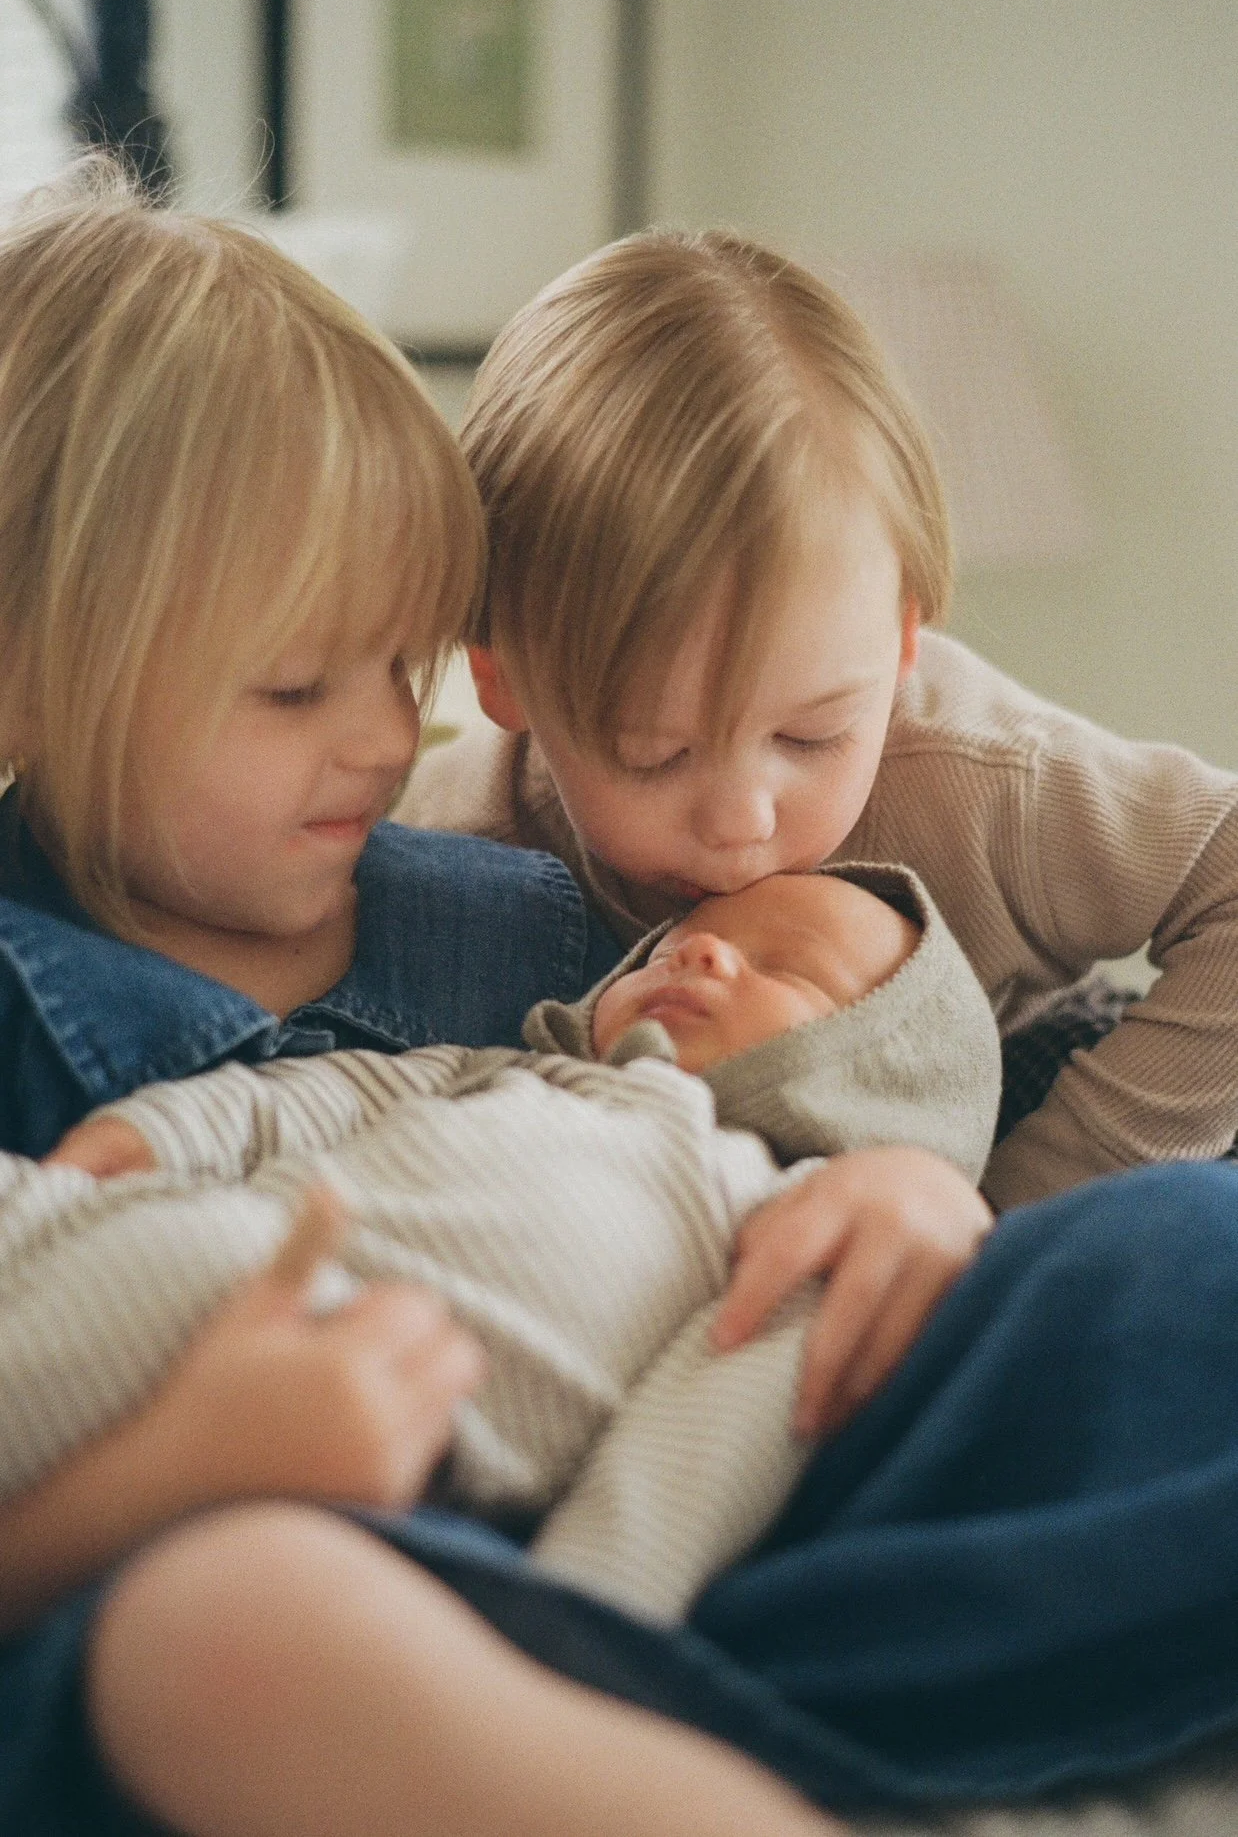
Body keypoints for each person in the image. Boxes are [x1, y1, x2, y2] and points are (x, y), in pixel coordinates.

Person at [0, 161, 851, 1837]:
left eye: (400, 664)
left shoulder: (521, 919)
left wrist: (895, 1190)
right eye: (291, 686)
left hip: (658, 1525)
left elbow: (730, 1149)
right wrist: (183, 1467)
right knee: (246, 1635)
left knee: (1165, 1258)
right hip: (238, 1633)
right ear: (25, 669)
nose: (388, 739)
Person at [398, 225, 1238, 1239]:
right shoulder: (457, 843)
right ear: (501, 678)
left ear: (903, 637)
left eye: (811, 736)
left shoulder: (981, 776)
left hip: (1024, 1099)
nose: (741, 821)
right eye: (654, 754)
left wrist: (1019, 1210)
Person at [31, 865, 999, 1626]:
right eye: (675, 946)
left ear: (886, 1076)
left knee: (184, 1265)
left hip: (330, 1357)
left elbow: (693, 1460)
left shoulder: (790, 1215)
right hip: (156, 1231)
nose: (701, 952)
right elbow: (313, 1096)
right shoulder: (504, 1071)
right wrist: (163, 1130)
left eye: (787, 967)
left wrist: (576, 1614)